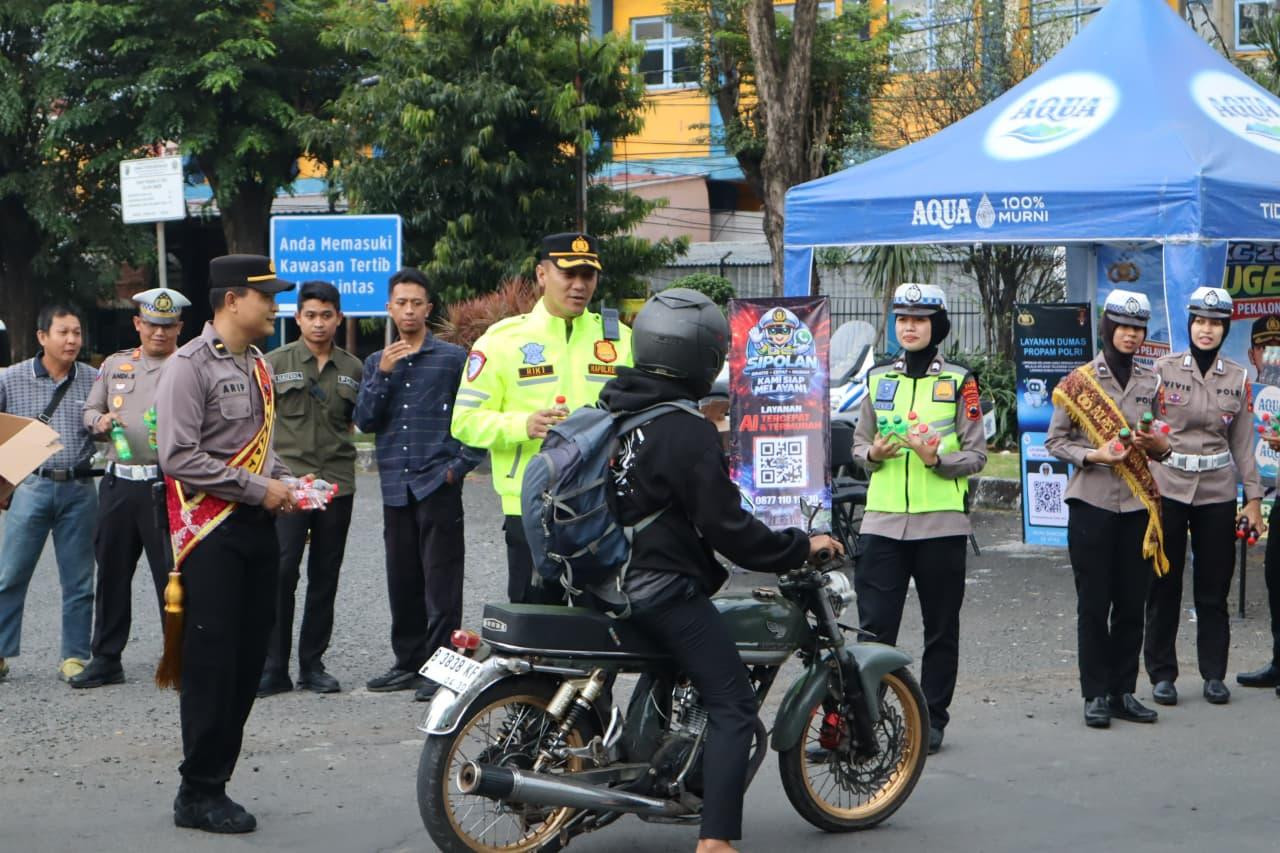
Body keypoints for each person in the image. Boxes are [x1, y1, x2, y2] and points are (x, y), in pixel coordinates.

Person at [588, 288, 840, 853]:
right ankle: (718, 841)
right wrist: (799, 546)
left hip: (602, 579)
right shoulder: (686, 428)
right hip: (658, 588)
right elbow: (729, 531)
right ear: (702, 357)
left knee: (678, 670)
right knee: (733, 706)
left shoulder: (617, 410)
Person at [155, 254, 298, 833]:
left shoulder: (258, 362)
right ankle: (198, 791)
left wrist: (287, 479)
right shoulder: (188, 366)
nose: (275, 306)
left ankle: (216, 778)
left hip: (257, 527)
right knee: (213, 664)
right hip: (211, 532)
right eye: (266, 296)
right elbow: (179, 456)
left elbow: (259, 447)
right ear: (233, 300)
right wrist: (257, 487)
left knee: (247, 661)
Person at [451, 232, 632, 604]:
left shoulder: (621, 341)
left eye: (588, 275)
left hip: (602, 504)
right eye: (569, 274)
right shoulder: (501, 341)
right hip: (529, 506)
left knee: (600, 619)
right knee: (535, 624)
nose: (580, 285)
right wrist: (523, 425)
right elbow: (465, 421)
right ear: (541, 275)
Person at [850, 283, 987, 755]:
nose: (909, 327)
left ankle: (931, 718)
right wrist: (872, 452)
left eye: (920, 319)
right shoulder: (878, 378)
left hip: (941, 525)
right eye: (902, 318)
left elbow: (977, 455)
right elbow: (857, 444)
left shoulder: (959, 381)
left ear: (938, 326)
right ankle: (865, 722)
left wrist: (936, 461)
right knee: (873, 630)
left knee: (940, 628)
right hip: (883, 523)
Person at [354, 268, 483, 701]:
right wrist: (384, 373)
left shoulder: (452, 358)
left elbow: (476, 415)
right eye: (401, 303)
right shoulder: (376, 361)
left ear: (429, 308)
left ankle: (442, 667)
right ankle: (408, 663)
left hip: (437, 483)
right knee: (401, 578)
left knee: (442, 581)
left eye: (417, 303)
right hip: (395, 486)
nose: (408, 310)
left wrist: (458, 468)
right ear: (389, 308)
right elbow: (365, 420)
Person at [1046, 289, 1170, 730]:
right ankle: (1094, 693)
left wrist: (1157, 445)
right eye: (1123, 327)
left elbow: (1163, 443)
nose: (1131, 335)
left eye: (1138, 328)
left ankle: (1123, 691)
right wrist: (1096, 456)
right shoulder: (1078, 382)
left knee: (1132, 604)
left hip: (1136, 509)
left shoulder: (1151, 380)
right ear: (1107, 328)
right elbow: (1055, 441)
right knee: (1094, 605)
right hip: (1092, 506)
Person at [1143, 287, 1261, 707]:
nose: (1206, 329)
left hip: (1216, 492)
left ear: (1224, 328)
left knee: (1214, 587)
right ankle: (1162, 674)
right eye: (1199, 321)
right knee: (1164, 584)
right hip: (1168, 487)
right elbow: (1145, 426)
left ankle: (1213, 674)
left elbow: (1244, 443)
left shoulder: (1238, 377)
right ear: (1190, 324)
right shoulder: (1162, 369)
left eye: (1214, 322)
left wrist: (1253, 500)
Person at [71, 288, 190, 689]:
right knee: (112, 573)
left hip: (168, 485)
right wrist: (98, 422)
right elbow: (89, 409)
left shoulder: (189, 366)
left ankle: (179, 657)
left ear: (179, 327)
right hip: (120, 482)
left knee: (171, 576)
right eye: (152, 325)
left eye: (168, 325)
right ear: (138, 324)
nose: (159, 333)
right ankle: (106, 657)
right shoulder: (116, 365)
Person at [258, 281, 364, 697]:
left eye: (326, 315)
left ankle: (312, 664)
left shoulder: (354, 368)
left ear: (338, 318)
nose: (318, 323)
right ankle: (273, 667)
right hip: (289, 486)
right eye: (310, 315)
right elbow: (259, 424)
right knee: (281, 572)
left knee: (325, 575)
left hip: (337, 484)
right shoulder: (272, 362)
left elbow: (361, 418)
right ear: (297, 318)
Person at [0, 304, 98, 684]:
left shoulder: (94, 378)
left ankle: (74, 655)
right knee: (10, 574)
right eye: (63, 332)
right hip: (32, 485)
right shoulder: (11, 379)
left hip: (80, 486)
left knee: (79, 579)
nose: (72, 339)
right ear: (43, 337)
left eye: (77, 332)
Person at [1238, 315, 1280, 689]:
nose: (1272, 356)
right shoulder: (1248, 389)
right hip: (1273, 497)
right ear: (1253, 354)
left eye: (1278, 349)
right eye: (1265, 349)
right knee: (1275, 576)